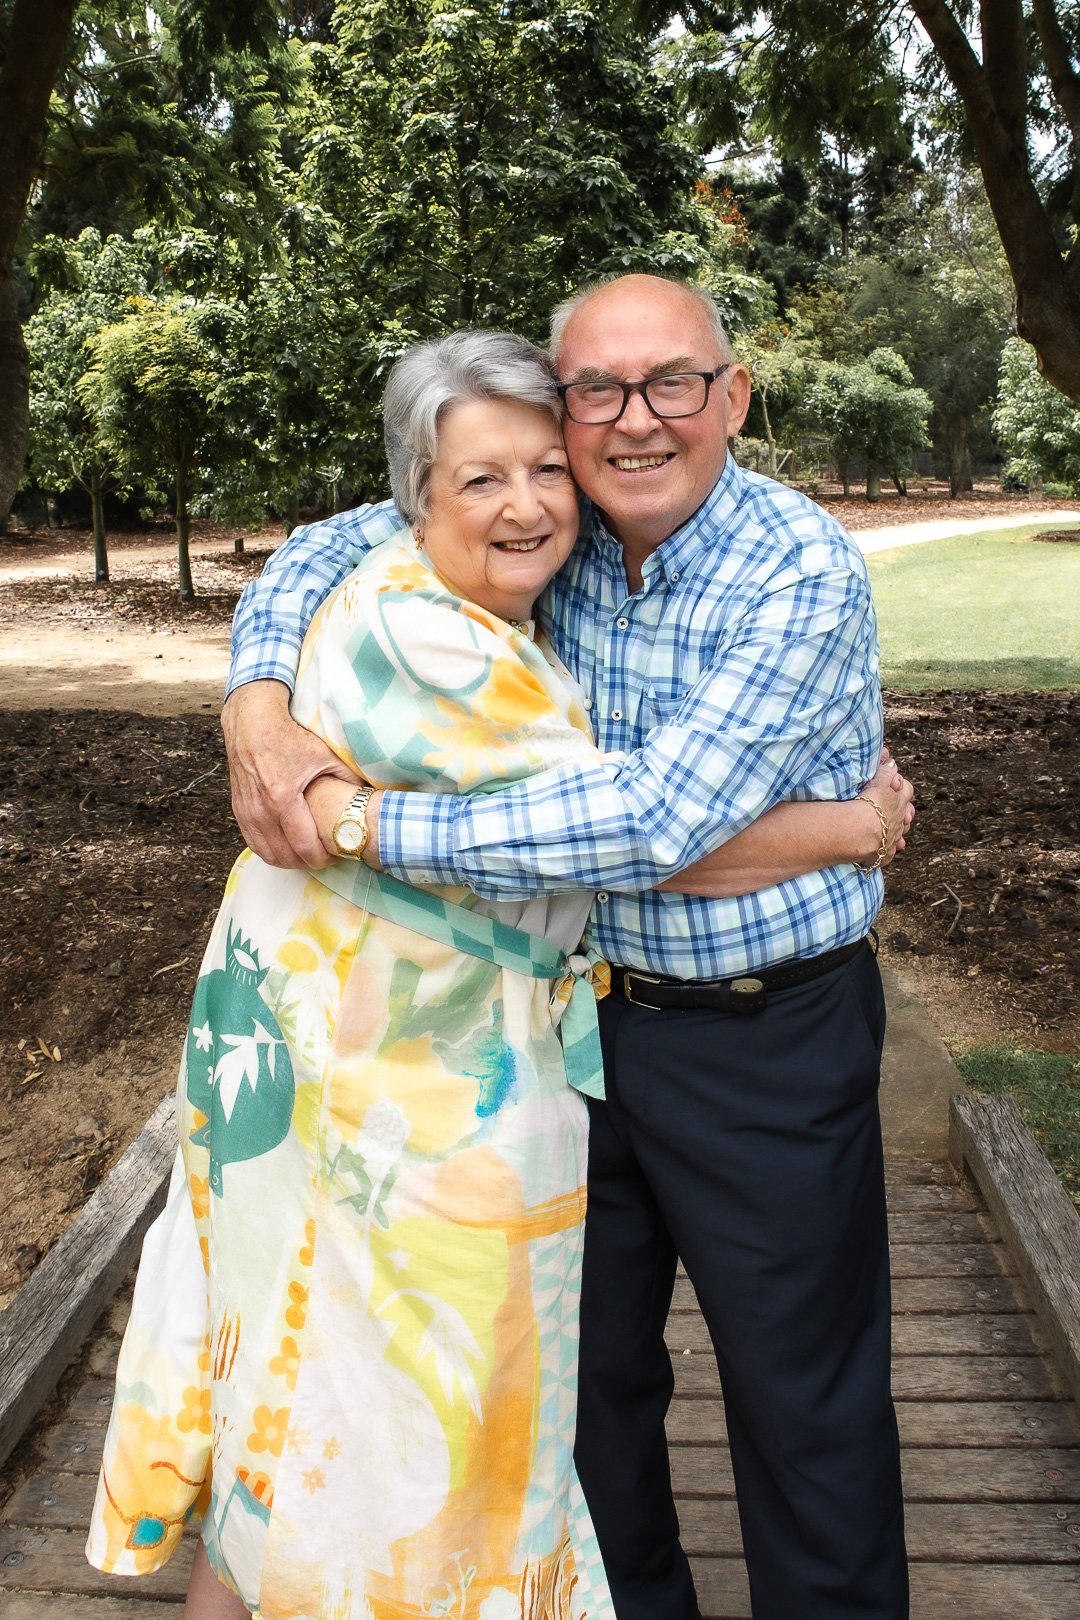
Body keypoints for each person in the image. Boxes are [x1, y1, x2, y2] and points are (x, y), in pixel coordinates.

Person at [86, 326, 904, 1620]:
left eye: (671, 385)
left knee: (802, 1401)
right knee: (531, 1401)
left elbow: (635, 824)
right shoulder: (442, 619)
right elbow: (620, 828)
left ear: (732, 396)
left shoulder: (787, 564)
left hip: (742, 1043)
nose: (536, 492)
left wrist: (339, 798)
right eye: (596, 397)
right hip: (444, 1073)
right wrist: (843, 827)